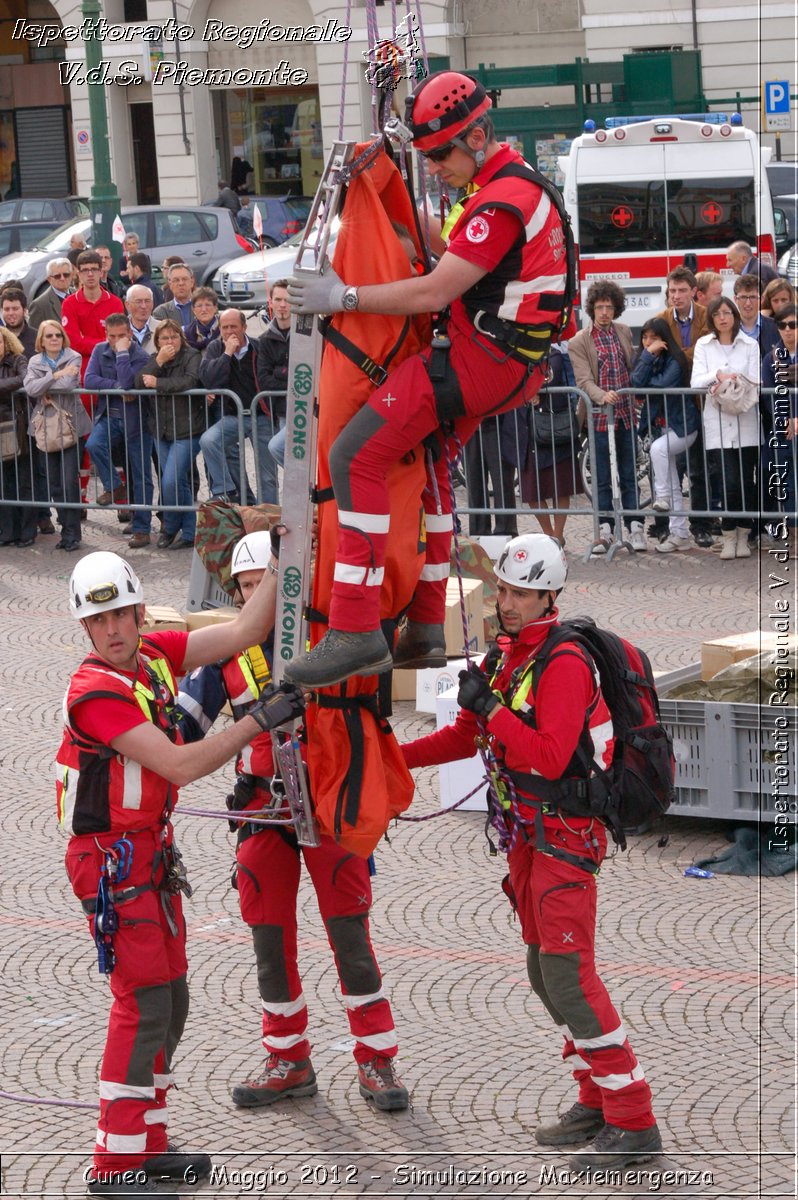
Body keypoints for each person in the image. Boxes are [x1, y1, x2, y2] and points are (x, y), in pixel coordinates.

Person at [285, 70, 568, 686]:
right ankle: (426, 622)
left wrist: (344, 294)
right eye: (426, 155)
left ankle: (356, 626)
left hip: (482, 362)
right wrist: (396, 192)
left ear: (480, 135)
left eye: (441, 154)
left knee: (352, 455)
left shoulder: (501, 201)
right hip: (511, 363)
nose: (434, 166)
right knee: (434, 461)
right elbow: (451, 250)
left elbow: (439, 287)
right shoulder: (512, 184)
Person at [401, 533, 661, 1170]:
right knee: (545, 974)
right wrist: (388, 760)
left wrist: (488, 704)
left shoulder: (566, 662)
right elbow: (466, 736)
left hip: (567, 833)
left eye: (521, 593)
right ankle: (595, 1096)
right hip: (528, 834)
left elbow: (547, 752)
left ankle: (634, 1118)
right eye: (504, 591)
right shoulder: (508, 653)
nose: (508, 603)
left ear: (549, 594)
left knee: (569, 976)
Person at [57, 550, 304, 1198]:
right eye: (99, 621)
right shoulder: (94, 694)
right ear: (86, 630)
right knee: (142, 1003)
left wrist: (289, 544)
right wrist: (257, 719)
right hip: (111, 863)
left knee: (174, 996)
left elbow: (248, 630)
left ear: (140, 612)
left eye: (120, 615)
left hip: (147, 854)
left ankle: (149, 1141)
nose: (112, 630)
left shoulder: (155, 654)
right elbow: (180, 765)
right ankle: (114, 1163)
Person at [176, 531, 408, 1113]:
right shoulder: (229, 654)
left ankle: (377, 1060)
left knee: (349, 933)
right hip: (263, 806)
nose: (259, 594)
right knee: (269, 936)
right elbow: (181, 727)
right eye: (248, 587)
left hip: (328, 804)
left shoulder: (328, 642)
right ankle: (288, 1058)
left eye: (268, 583)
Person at [569, 280, 644, 555]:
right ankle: (605, 529)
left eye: (609, 307)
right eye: (600, 307)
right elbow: (583, 380)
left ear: (616, 309)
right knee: (601, 477)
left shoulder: (623, 331)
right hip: (598, 418)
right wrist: (601, 395)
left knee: (628, 473)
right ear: (592, 309)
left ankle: (635, 526)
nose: (604, 312)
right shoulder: (579, 341)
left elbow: (630, 366)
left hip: (624, 414)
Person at [691, 296, 761, 559]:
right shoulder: (704, 345)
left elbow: (756, 380)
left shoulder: (750, 344)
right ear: (711, 318)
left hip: (746, 420)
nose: (723, 317)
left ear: (734, 315)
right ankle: (728, 533)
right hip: (718, 423)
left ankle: (744, 534)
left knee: (746, 481)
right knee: (728, 483)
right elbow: (695, 382)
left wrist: (737, 380)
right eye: (718, 313)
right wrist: (718, 375)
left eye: (727, 312)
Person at [654, 267, 714, 548]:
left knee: (700, 468)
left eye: (681, 290)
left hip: (704, 400)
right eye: (671, 291)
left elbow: (706, 349)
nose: (676, 296)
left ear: (693, 291)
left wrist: (677, 355)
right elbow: (660, 353)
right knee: (674, 467)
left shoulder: (705, 315)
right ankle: (671, 528)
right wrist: (683, 357)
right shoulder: (662, 319)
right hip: (676, 403)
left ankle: (701, 525)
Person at [632, 318, 700, 554]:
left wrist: (647, 365)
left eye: (653, 337)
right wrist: (648, 355)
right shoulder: (647, 357)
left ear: (664, 338)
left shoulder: (675, 360)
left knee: (658, 450)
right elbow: (635, 382)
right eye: (644, 337)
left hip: (683, 427)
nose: (648, 342)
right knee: (671, 481)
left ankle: (661, 498)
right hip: (661, 429)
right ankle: (679, 533)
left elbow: (660, 386)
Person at [84, 313, 153, 548]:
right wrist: (115, 387)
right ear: (106, 335)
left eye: (121, 336)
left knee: (141, 474)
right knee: (93, 444)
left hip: (137, 422)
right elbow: (89, 380)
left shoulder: (141, 356)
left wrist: (123, 353)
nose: (116, 341)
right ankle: (114, 486)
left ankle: (142, 527)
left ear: (130, 334)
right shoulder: (99, 350)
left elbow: (129, 383)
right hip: (110, 416)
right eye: (112, 336)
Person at [135, 320, 203, 550]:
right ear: (157, 341)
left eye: (174, 337)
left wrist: (159, 383)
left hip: (187, 429)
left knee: (170, 480)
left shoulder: (191, 355)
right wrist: (159, 362)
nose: (169, 342)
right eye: (164, 338)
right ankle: (190, 531)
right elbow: (138, 382)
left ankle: (171, 526)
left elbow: (189, 380)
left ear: (181, 338)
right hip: (161, 430)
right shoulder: (156, 358)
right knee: (178, 482)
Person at [199, 308, 277, 505]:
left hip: (261, 416)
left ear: (244, 326)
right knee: (209, 440)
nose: (229, 331)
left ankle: (268, 520)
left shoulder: (259, 346)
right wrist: (227, 354)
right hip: (234, 416)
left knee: (267, 475)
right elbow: (209, 379)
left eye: (234, 326)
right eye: (224, 327)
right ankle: (225, 489)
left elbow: (269, 377)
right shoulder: (216, 348)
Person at [506, 342, 581, 547]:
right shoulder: (515, 351)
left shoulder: (554, 353)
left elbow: (551, 375)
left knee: (560, 487)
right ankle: (549, 535)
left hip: (554, 426)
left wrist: (535, 389)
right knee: (532, 490)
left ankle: (557, 535)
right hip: (524, 428)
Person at [23, 321, 88, 551]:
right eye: (49, 335)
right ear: (41, 339)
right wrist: (55, 374)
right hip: (44, 429)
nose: (54, 339)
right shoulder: (34, 361)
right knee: (54, 485)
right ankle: (66, 530)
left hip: (70, 425)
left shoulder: (74, 356)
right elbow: (30, 388)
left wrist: (47, 383)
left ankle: (72, 533)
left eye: (58, 335)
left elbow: (68, 385)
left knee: (69, 481)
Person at [761, 302, 798, 558]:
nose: (788, 330)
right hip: (783, 431)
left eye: (793, 325)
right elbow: (770, 397)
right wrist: (786, 418)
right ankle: (794, 535)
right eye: (783, 326)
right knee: (788, 486)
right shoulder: (771, 358)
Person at [60, 250, 125, 383]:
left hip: (111, 373)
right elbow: (74, 343)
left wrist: (86, 340)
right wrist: (105, 341)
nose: (90, 274)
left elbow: (118, 340)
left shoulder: (115, 302)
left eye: (94, 269)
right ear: (78, 274)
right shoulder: (69, 304)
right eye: (85, 270)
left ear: (101, 272)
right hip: (82, 375)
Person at [0, 326, 35, 547]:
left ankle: (27, 531)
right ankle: (7, 531)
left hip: (16, 427)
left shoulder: (18, 360)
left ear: (6, 342)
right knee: (3, 485)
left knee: (22, 481)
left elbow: (25, 378)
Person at [255, 279, 291, 479]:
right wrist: (288, 375)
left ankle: (314, 488)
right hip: (282, 410)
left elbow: (310, 374)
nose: (282, 305)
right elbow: (264, 380)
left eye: (287, 300)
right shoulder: (265, 339)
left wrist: (278, 371)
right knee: (285, 454)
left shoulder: (309, 333)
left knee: (276, 447)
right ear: (271, 302)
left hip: (307, 409)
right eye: (278, 299)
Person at [733, 275, 781, 358]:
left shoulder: (776, 328)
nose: (748, 303)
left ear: (761, 299)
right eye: (743, 297)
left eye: (753, 297)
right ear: (735, 299)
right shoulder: (727, 329)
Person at [28, 258, 74, 328]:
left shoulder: (79, 294)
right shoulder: (39, 305)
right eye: (57, 276)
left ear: (71, 276)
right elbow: (35, 335)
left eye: (66, 275)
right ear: (49, 279)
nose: (62, 278)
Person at [1, 288, 37, 357]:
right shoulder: (1, 338)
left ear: (24, 310)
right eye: (7, 309)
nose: (11, 313)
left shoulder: (37, 338)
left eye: (15, 309)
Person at [184, 287, 221, 354]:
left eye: (208, 305)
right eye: (199, 306)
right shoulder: (187, 334)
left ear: (215, 307)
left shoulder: (225, 329)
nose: (204, 309)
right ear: (193, 309)